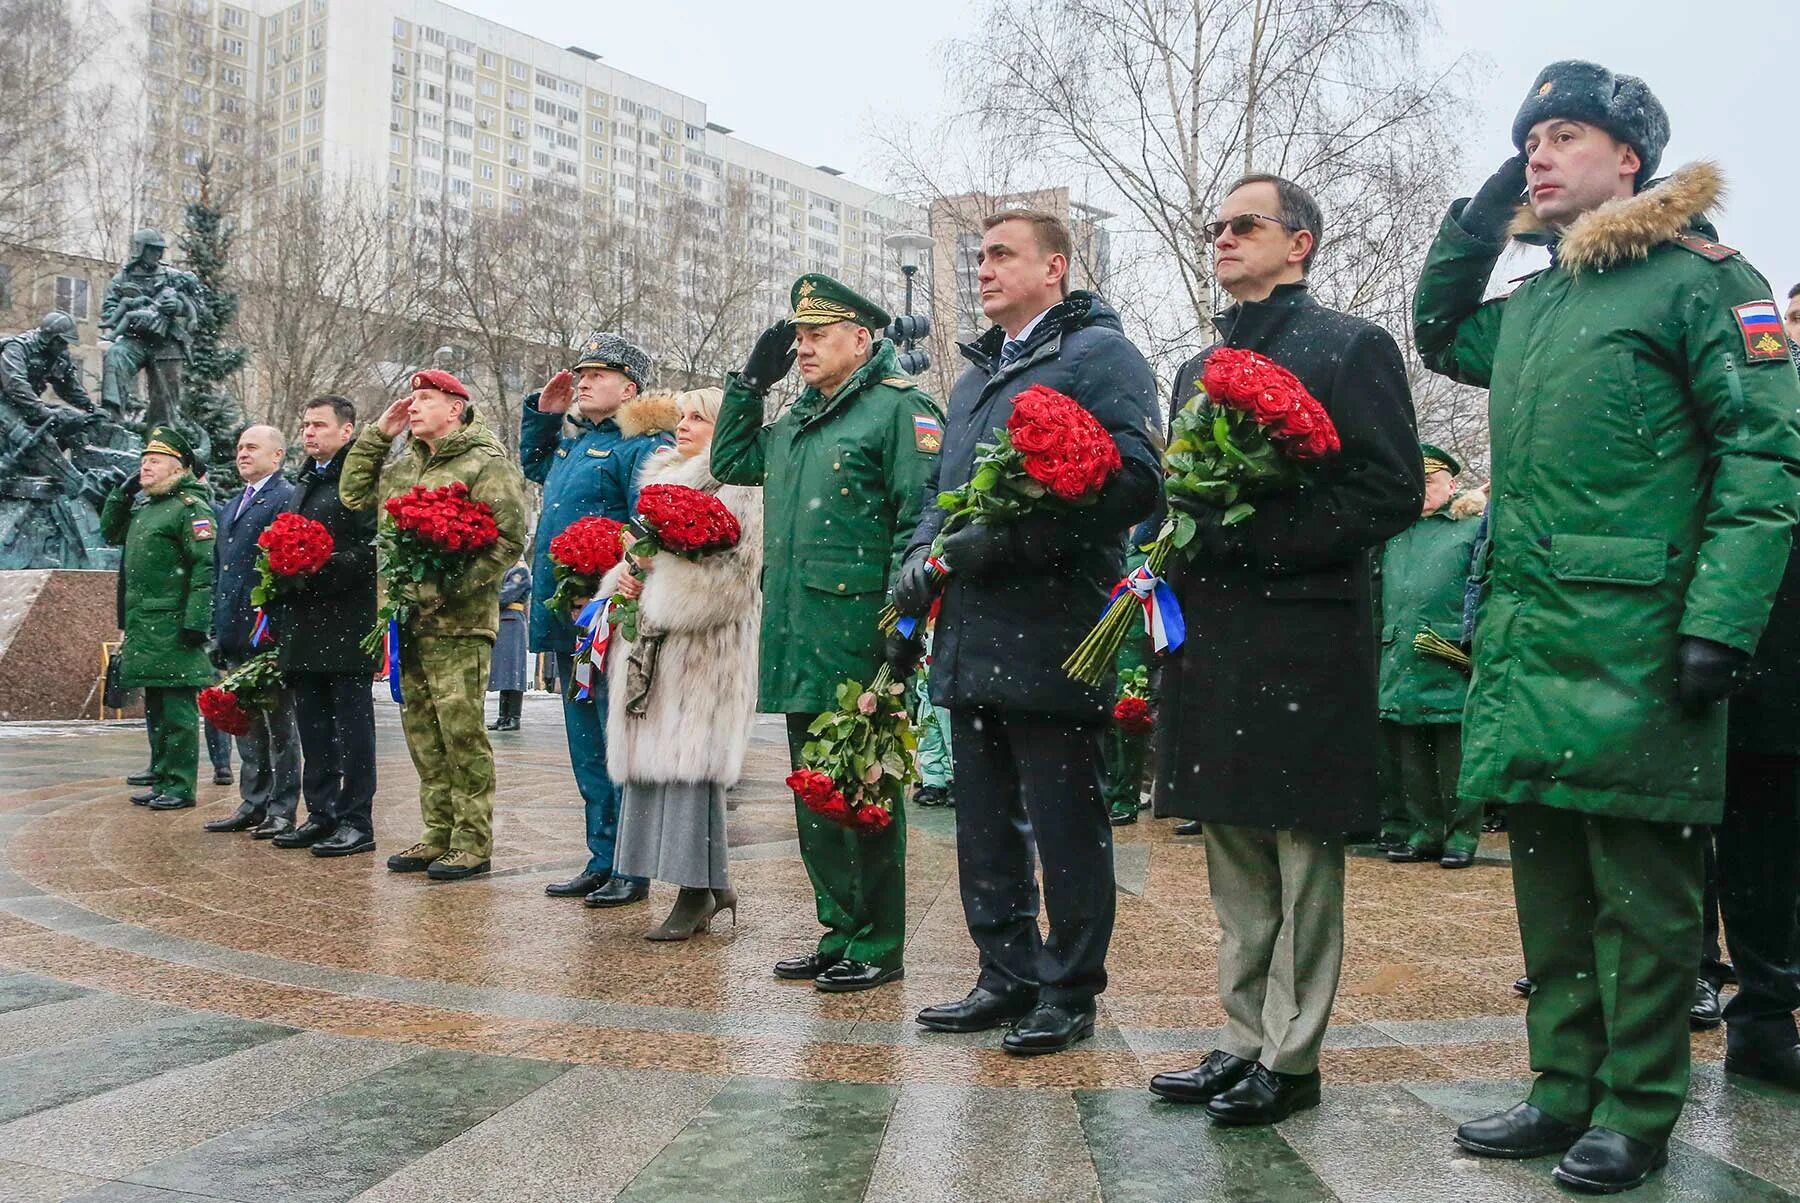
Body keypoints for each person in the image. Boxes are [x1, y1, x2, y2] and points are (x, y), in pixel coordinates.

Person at [1415, 61, 1800, 1193]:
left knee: (1646, 892)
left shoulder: (1707, 281)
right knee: (1552, 885)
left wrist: (1722, 624)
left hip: (1643, 636)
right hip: (1535, 638)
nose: (1540, 151)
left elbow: (1766, 457)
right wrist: (1489, 210)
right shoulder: (1534, 304)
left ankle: (1636, 1109)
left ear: (1631, 157)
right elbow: (1439, 331)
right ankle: (1560, 1089)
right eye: (1530, 136)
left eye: (1566, 134)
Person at [1148, 176, 1422, 1118]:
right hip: (1214, 636)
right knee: (1231, 843)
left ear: (1299, 242)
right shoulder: (1197, 366)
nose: (1222, 237)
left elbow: (1388, 492)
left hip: (1303, 635)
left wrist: (1256, 535)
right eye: (1215, 226)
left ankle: (1293, 1056)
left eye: (1244, 224)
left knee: (1302, 854)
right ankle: (1241, 1035)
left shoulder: (1351, 346)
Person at [893, 209, 1160, 1053]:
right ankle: (1003, 973)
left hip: (1053, 625)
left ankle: (1069, 987)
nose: (983, 269)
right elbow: (943, 492)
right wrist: (922, 557)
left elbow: (1132, 484)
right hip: (972, 627)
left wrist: (1003, 541)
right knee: (981, 819)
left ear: (1056, 267)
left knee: (1064, 820)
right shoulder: (973, 380)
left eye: (1002, 254)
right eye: (977, 256)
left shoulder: (1097, 356)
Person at [713, 273, 941, 994]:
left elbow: (920, 520)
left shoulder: (898, 410)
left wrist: (904, 623)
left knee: (865, 787)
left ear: (860, 338)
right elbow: (731, 461)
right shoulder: (801, 418)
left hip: (859, 636)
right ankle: (839, 929)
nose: (803, 348)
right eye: (797, 337)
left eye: (816, 336)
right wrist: (750, 383)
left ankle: (878, 940)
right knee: (817, 794)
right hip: (797, 630)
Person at [342, 369, 526, 881]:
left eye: (426, 399)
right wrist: (378, 435)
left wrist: (446, 587)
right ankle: (437, 833)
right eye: (414, 399)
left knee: (461, 731)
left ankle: (472, 841)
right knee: (422, 731)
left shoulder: (485, 463)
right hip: (408, 621)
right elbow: (354, 496)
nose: (414, 406)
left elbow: (508, 540)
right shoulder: (406, 465)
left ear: (456, 408)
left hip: (460, 623)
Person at [597, 386, 761, 940]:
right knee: (655, 764)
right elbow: (639, 556)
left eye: (700, 418)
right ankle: (710, 886)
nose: (684, 425)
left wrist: (656, 593)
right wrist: (622, 578)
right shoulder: (661, 479)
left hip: (704, 650)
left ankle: (696, 890)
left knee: (692, 768)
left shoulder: (742, 486)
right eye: (683, 415)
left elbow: (737, 581)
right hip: (654, 646)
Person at [518, 332, 673, 908]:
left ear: (628, 386)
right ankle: (601, 856)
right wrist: (544, 413)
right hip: (569, 613)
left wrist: (617, 584)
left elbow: (648, 529)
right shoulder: (574, 442)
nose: (582, 381)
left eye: (596, 375)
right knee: (586, 740)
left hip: (608, 613)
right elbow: (533, 465)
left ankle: (631, 865)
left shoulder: (640, 445)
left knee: (617, 739)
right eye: (580, 374)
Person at [266, 396, 379, 858]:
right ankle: (322, 813)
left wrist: (324, 566)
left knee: (352, 730)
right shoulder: (305, 482)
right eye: (305, 424)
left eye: (319, 425)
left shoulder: (358, 482)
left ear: (347, 430)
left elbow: (373, 547)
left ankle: (356, 820)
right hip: (304, 623)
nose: (309, 432)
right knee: (313, 726)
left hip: (345, 623)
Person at [1377, 444, 1484, 869]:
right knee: (1412, 758)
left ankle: (1461, 836)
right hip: (1399, 655)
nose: (1423, 492)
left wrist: (1472, 647)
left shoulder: (1470, 528)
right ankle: (1424, 833)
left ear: (1452, 484)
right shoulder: (1395, 530)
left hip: (1449, 655)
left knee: (1455, 756)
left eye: (1432, 483)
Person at [100, 426, 217, 811]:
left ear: (178, 467)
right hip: (145, 623)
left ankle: (181, 785)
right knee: (156, 705)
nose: (144, 467)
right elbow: (111, 531)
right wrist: (124, 491)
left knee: (178, 710)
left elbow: (204, 570)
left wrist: (196, 623)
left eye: (154, 462)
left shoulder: (190, 509)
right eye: (143, 461)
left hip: (174, 625)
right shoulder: (148, 507)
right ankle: (163, 775)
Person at [201, 425, 301, 838]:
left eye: (252, 448)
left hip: (267, 634)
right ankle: (253, 802)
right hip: (234, 632)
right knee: (248, 726)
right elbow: (223, 571)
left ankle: (282, 809)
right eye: (240, 447)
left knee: (280, 727)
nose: (242, 454)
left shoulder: (286, 498)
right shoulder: (231, 505)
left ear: (276, 456)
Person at [907, 627, 953, 808]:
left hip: (947, 692)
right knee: (928, 736)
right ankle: (933, 782)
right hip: (927, 693)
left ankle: (954, 780)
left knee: (949, 736)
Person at [487, 561, 530, 732]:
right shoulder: (506, 567)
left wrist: (486, 597)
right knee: (505, 672)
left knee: (513, 671)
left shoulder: (519, 569)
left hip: (512, 621)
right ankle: (503, 716)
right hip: (503, 620)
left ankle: (514, 717)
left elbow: (505, 596)